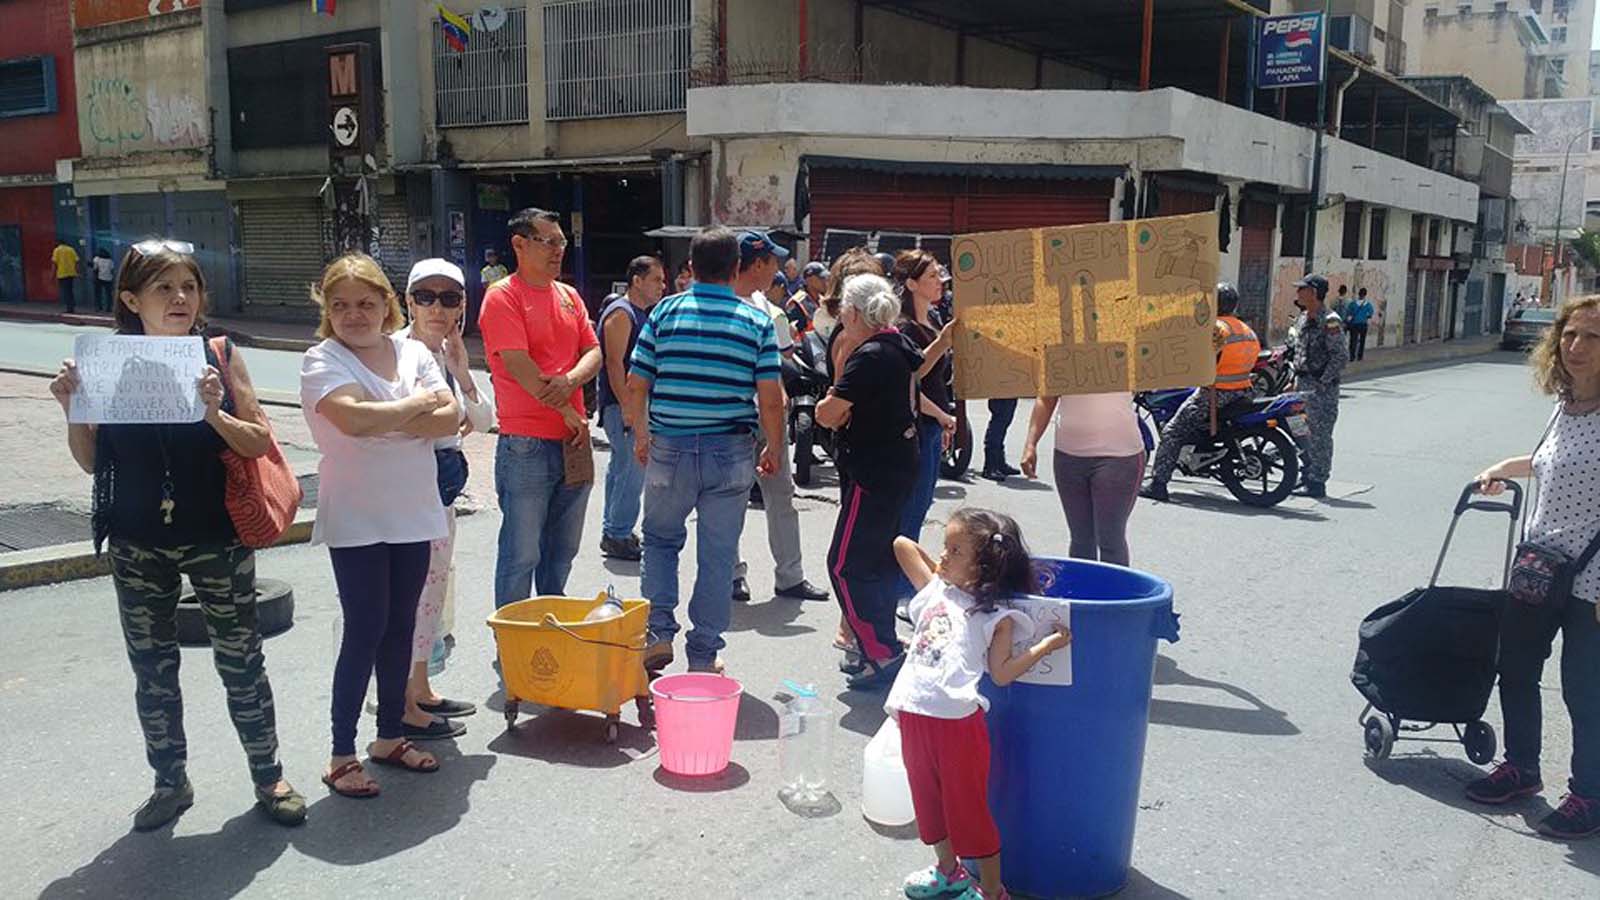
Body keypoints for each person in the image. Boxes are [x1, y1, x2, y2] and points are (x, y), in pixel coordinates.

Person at [48, 239, 305, 830]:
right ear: (131, 299)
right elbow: (92, 463)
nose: (180, 298)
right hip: (137, 543)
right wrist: (73, 409)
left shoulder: (217, 354)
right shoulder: (106, 363)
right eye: (163, 288)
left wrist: (213, 411)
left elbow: (259, 442)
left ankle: (269, 775)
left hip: (217, 537)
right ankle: (170, 782)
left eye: (188, 286)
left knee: (242, 662)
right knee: (153, 669)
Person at [301, 253, 459, 798]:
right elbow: (352, 419)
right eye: (340, 304)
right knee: (364, 631)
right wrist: (414, 407)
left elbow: (450, 418)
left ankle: (389, 736)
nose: (354, 315)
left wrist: (389, 415)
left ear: (386, 304)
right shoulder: (322, 359)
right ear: (326, 308)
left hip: (413, 512)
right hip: (356, 519)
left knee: (400, 630)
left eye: (366, 303)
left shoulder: (412, 350)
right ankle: (341, 753)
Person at [1464, 296, 1600, 840]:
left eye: (1592, 337)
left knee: (1585, 692)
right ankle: (1522, 767)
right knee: (1516, 670)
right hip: (1540, 570)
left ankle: (1589, 794)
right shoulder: (1565, 405)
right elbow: (1550, 463)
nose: (1577, 347)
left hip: (1592, 582)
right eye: (1570, 335)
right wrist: (1504, 467)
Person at [887, 509, 1072, 900]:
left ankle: (992, 891)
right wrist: (947, 566)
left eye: (955, 551)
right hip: (912, 712)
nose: (943, 556)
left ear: (984, 569)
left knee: (968, 810)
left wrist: (1046, 646)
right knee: (928, 801)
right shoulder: (935, 590)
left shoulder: (996, 615)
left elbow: (1002, 673)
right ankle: (949, 871)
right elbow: (902, 545)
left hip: (957, 725)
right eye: (945, 547)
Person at [627, 227, 784, 674]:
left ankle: (658, 632)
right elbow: (771, 397)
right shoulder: (755, 321)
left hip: (670, 448)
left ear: (691, 269)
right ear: (736, 269)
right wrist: (772, 446)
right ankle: (704, 654)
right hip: (730, 452)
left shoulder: (663, 314)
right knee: (717, 553)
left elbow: (638, 383)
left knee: (659, 540)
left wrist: (641, 434)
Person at [479, 207, 601, 607]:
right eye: (548, 241)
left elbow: (593, 350)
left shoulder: (569, 296)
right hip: (527, 442)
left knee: (562, 549)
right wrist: (566, 408)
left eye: (561, 241)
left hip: (573, 440)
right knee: (522, 551)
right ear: (519, 244)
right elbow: (518, 364)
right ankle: (514, 634)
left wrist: (571, 381)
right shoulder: (502, 297)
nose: (558, 250)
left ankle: (551, 623)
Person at [395, 259, 496, 740]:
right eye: (426, 297)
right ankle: (402, 700)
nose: (437, 308)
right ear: (408, 301)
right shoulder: (394, 353)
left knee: (432, 593)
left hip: (441, 489)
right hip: (405, 491)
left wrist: (461, 370)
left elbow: (483, 418)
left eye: (450, 299)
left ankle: (420, 686)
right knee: (405, 598)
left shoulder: (447, 355)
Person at [818, 273, 925, 690]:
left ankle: (878, 651)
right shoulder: (898, 344)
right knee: (878, 561)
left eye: (844, 306)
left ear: (854, 312)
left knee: (845, 565)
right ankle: (881, 643)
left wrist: (833, 398)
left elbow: (829, 413)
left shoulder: (870, 354)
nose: (840, 313)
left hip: (874, 470)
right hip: (897, 464)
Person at [731, 230, 829, 604]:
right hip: (738, 420)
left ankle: (790, 576)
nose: (780, 269)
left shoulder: (765, 306)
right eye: (773, 261)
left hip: (769, 418)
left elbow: (779, 362)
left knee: (782, 497)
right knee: (733, 500)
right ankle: (731, 574)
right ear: (757, 265)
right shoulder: (725, 305)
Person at [1140, 282, 1261, 505]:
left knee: (1172, 431)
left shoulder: (1216, 328)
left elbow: (1202, 362)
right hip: (1242, 392)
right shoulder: (1246, 330)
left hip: (1216, 395)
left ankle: (1158, 485)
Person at [597, 255, 665, 562]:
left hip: (630, 404)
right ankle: (619, 533)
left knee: (621, 468)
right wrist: (628, 407)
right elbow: (613, 363)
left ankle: (615, 528)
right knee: (632, 470)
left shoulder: (639, 313)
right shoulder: (622, 313)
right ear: (637, 281)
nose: (661, 287)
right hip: (622, 405)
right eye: (656, 280)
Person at [893, 250, 959, 549]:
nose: (939, 281)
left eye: (938, 274)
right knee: (912, 507)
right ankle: (902, 584)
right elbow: (911, 379)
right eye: (931, 276)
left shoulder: (931, 318)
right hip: (917, 427)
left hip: (932, 426)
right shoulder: (905, 327)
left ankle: (904, 579)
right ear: (911, 284)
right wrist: (941, 416)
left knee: (921, 504)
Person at [1291, 274, 1347, 499]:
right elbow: (1298, 350)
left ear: (1313, 292)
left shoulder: (1330, 320)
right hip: (1301, 385)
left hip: (1321, 390)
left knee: (1320, 436)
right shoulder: (1303, 318)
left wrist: (1322, 382)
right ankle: (1305, 471)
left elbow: (1340, 357)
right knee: (1298, 430)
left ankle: (1317, 482)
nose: (1297, 293)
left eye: (1302, 289)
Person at [981, 399, 1020, 483]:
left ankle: (999, 463)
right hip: (1000, 393)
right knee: (998, 424)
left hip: (1008, 392)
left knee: (1004, 422)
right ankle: (990, 467)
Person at [787, 261, 828, 334]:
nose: (825, 281)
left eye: (825, 278)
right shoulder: (797, 302)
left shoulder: (824, 301)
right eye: (821, 278)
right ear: (810, 280)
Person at [1347, 287, 1374, 361]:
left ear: (1359, 294)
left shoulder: (1352, 304)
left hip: (1354, 324)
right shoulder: (1368, 305)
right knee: (1362, 341)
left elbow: (1349, 313)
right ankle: (1360, 356)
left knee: (1353, 341)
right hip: (1363, 324)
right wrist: (1365, 316)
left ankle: (1352, 356)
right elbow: (1370, 314)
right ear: (1365, 295)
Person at [53, 238, 79, 313]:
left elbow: (54, 263)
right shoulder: (71, 249)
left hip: (62, 273)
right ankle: (72, 305)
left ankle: (69, 307)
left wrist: (52, 275)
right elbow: (76, 261)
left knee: (65, 291)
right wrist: (77, 271)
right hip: (71, 273)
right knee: (70, 290)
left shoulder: (57, 250)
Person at [91, 247, 116, 312]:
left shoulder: (96, 259)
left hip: (99, 278)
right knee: (108, 294)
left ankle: (99, 307)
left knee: (98, 293)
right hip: (108, 278)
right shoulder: (110, 260)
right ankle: (109, 308)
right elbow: (112, 270)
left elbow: (95, 268)